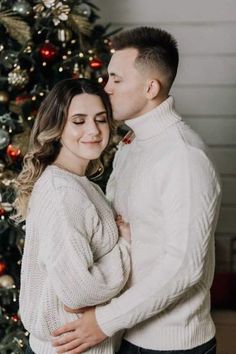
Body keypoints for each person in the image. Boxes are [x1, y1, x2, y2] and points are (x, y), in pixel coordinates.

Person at [52, 27, 222, 354]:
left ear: (150, 87)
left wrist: (103, 321)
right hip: (127, 336)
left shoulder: (184, 157)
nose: (106, 87)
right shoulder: (132, 145)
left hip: (172, 346)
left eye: (116, 79)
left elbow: (185, 267)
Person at [15, 78, 131, 354]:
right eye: (78, 121)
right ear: (57, 128)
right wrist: (125, 246)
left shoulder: (81, 183)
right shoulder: (62, 192)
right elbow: (78, 293)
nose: (93, 130)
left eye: (101, 119)